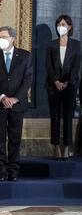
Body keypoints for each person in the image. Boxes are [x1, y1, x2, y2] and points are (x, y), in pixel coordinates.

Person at [0, 26, 33, 182]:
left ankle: (13, 170)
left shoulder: (25, 56)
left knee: (15, 139)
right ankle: (1, 170)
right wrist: (1, 97)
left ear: (13, 38)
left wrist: (15, 98)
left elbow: (27, 80)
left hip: (17, 105)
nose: (1, 39)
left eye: (4, 36)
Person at [45, 15, 81, 160]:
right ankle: (55, 147)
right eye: (59, 24)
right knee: (54, 117)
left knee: (67, 117)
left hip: (70, 85)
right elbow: (48, 65)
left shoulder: (76, 44)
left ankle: (66, 147)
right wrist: (56, 81)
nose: (61, 26)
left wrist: (67, 82)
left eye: (64, 24)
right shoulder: (51, 44)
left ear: (70, 27)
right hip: (53, 86)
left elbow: (76, 66)